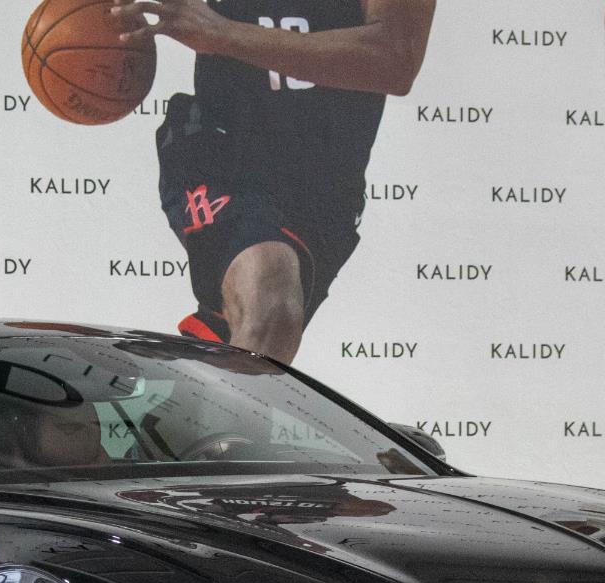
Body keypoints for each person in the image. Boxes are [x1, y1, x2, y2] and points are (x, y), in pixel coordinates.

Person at [113, 0, 437, 363]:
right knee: (270, 295)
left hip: (323, 188)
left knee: (248, 341)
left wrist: (222, 34)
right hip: (221, 148)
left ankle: (173, 388)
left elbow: (394, 58)